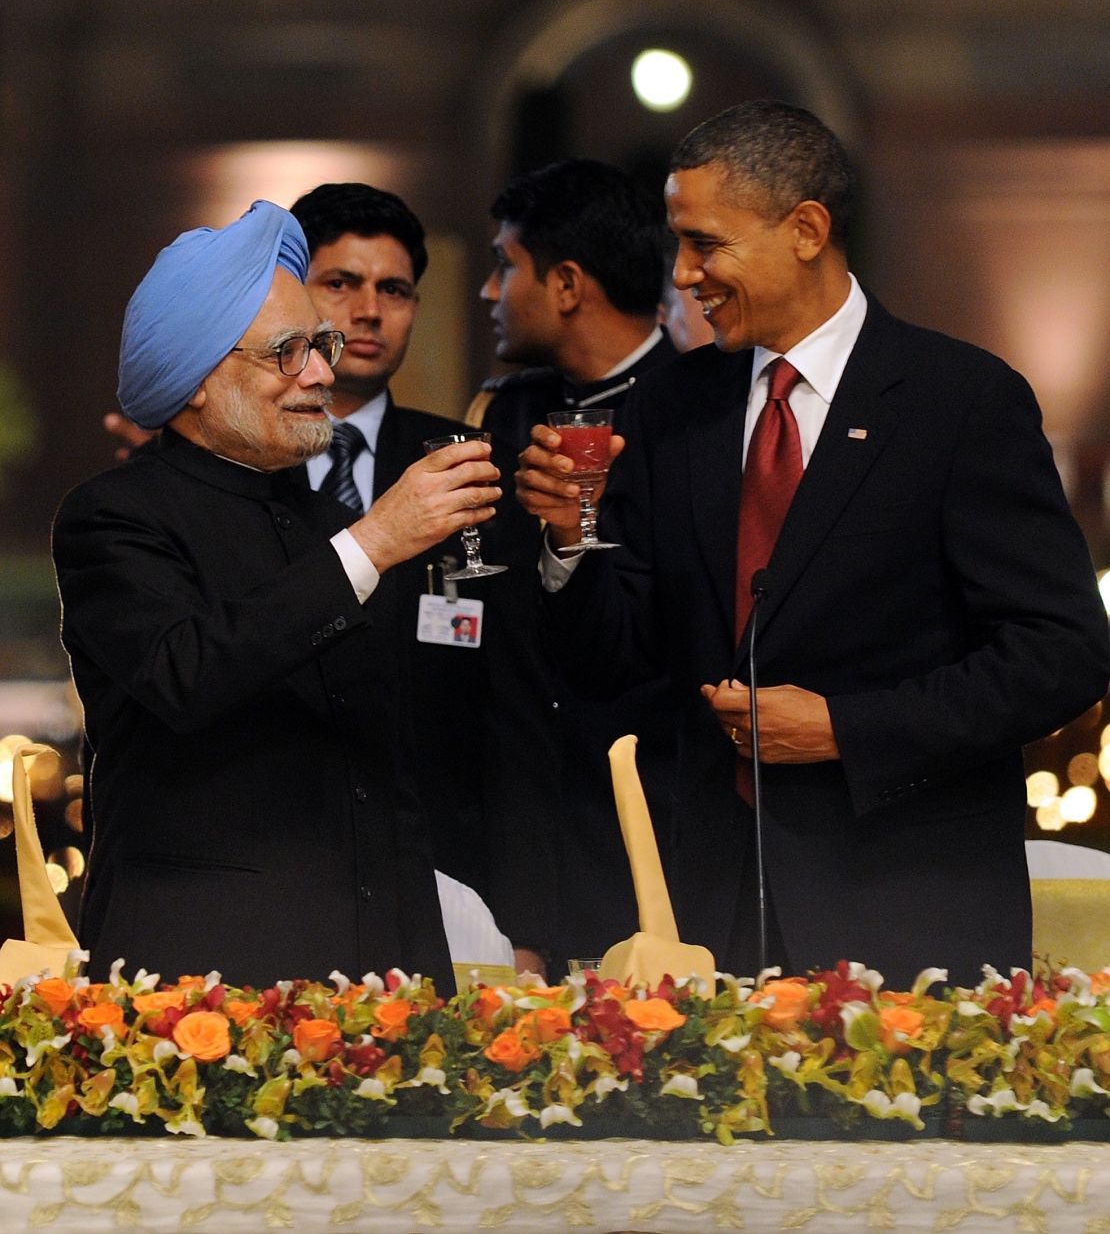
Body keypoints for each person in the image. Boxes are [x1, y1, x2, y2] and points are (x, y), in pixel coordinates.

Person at [517, 101, 1110, 987]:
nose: (682, 276)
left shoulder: (959, 401)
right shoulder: (676, 408)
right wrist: (572, 542)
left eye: (705, 244)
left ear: (805, 230)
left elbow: (1061, 654)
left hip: (911, 918)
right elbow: (618, 659)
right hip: (712, 925)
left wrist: (844, 729)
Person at [102, 183, 554, 975]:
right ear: (199, 378)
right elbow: (188, 672)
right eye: (290, 352)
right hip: (205, 970)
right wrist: (377, 539)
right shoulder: (114, 513)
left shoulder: (306, 513)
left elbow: (388, 757)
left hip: (377, 955)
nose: (319, 372)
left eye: (320, 348)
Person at [471, 158, 680, 966]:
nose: (491, 292)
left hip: (655, 842)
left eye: (505, 264)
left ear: (565, 283)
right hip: (513, 845)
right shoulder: (505, 409)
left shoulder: (706, 411)